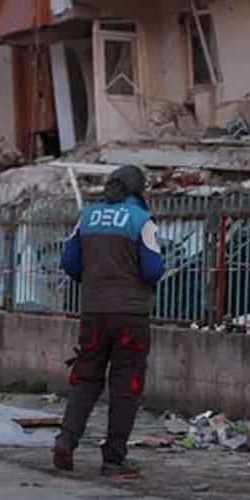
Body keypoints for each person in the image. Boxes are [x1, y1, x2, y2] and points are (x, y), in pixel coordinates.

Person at [53, 165, 165, 476]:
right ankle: (113, 458)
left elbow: (69, 261)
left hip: (93, 312)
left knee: (86, 379)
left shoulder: (87, 217)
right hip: (130, 315)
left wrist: (91, 281)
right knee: (126, 385)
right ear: (138, 190)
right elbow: (153, 269)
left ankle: (66, 440)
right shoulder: (142, 220)